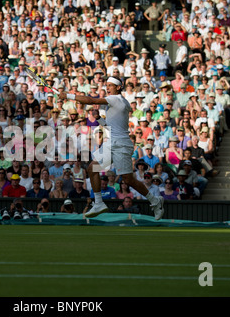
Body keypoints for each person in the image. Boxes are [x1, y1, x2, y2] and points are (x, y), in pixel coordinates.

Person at [58, 76, 164, 219]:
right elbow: (109, 128)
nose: (107, 88)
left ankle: (155, 200)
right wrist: (99, 119)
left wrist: (67, 95)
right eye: (106, 85)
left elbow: (91, 100)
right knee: (92, 168)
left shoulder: (117, 99)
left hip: (121, 144)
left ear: (118, 87)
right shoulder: (116, 103)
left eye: (110, 85)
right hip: (111, 142)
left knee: (128, 179)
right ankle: (99, 203)